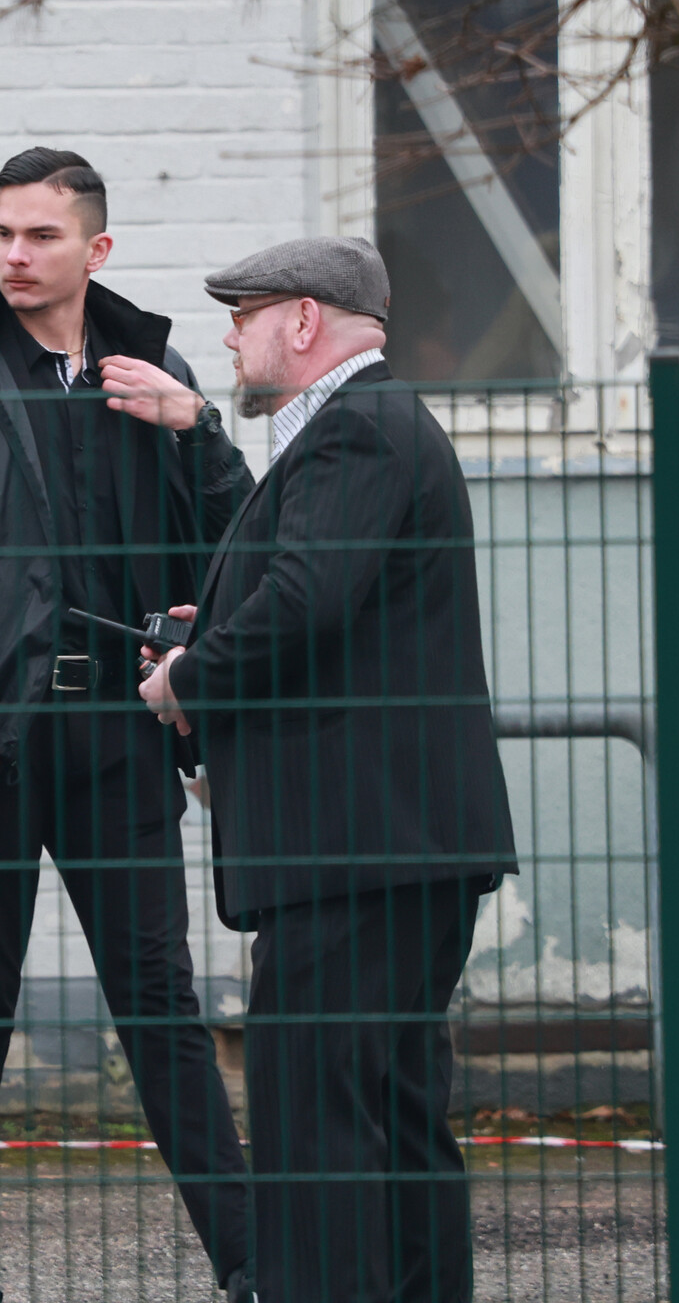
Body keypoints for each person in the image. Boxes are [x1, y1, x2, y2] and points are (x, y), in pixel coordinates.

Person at [0, 148, 256, 1303]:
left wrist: (198, 425)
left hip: (119, 735)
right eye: (2, 233)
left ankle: (254, 1266)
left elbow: (235, 543)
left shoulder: (152, 369)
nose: (15, 256)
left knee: (160, 1004)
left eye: (41, 236)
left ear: (96, 248)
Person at [136, 237, 517, 1303]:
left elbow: (306, 601)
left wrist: (189, 679)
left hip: (357, 853)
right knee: (389, 1118)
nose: (231, 338)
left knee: (319, 1130)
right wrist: (211, 629)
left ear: (302, 321)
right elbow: (325, 602)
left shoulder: (357, 431)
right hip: (387, 849)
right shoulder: (366, 429)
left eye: (245, 316)